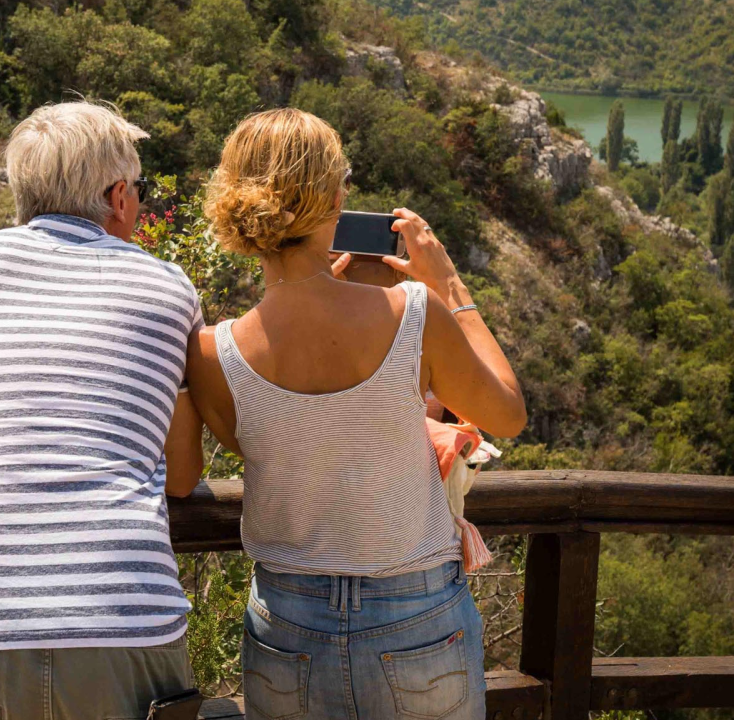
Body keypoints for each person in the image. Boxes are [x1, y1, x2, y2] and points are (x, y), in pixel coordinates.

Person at [185, 108, 526, 720]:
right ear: (334, 200)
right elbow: (507, 413)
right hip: (415, 614)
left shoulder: (213, 352)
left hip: (286, 621)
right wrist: (449, 285)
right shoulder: (413, 312)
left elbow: (274, 446)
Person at [0, 101, 207, 720]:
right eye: (139, 190)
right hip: (122, 619)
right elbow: (181, 479)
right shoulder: (166, 286)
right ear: (118, 196)